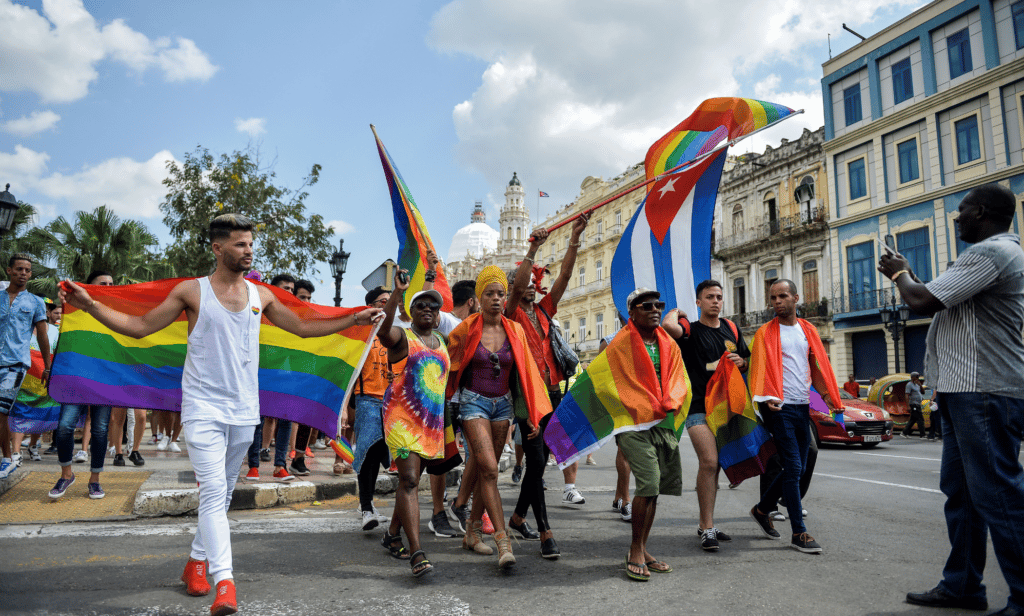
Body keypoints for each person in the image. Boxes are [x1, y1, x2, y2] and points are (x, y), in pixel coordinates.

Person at [59, 214, 379, 615]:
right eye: (241, 244)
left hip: (245, 410)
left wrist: (353, 317)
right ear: (218, 248)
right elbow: (139, 326)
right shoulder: (191, 292)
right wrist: (89, 304)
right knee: (212, 493)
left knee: (222, 494)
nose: (249, 251)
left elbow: (300, 326)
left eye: (250, 244)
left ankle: (195, 561)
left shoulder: (261, 296)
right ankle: (224, 584)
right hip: (202, 409)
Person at [879, 183, 1024, 615]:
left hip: (984, 390)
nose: (956, 218)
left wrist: (900, 273)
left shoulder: (992, 253)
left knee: (997, 494)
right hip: (967, 390)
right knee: (961, 493)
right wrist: (910, 278)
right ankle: (962, 585)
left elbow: (922, 299)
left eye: (961, 211)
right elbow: (940, 299)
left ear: (980, 211)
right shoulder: (995, 254)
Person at [445, 265, 552, 568]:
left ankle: (471, 533)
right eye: (489, 293)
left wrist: (530, 414)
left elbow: (526, 375)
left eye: (500, 294)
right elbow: (444, 362)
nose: (495, 298)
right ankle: (503, 541)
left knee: (483, 471)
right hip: (473, 404)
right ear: (478, 298)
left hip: (503, 406)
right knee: (490, 468)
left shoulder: (514, 329)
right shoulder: (465, 329)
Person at [748, 279, 843, 554]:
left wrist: (828, 398)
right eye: (773, 297)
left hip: (802, 406)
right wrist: (766, 398)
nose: (777, 301)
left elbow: (817, 367)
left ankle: (762, 508)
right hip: (779, 407)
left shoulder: (808, 330)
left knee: (798, 467)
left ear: (795, 298)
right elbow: (758, 369)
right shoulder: (764, 333)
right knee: (792, 465)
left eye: (782, 296)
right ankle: (799, 532)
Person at [506, 217, 590, 510]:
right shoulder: (511, 313)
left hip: (555, 391)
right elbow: (516, 290)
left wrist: (575, 238)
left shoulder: (543, 310)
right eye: (524, 281)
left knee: (557, 448)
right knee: (538, 460)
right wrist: (533, 249)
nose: (530, 285)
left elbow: (565, 278)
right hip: (529, 396)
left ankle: (534, 507)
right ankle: (525, 517)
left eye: (533, 281)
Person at [376, 272, 456, 577]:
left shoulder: (443, 342)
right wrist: (398, 293)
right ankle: (417, 551)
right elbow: (383, 330)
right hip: (401, 418)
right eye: (420, 304)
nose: (427, 309)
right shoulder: (401, 337)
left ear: (438, 317)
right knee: (409, 479)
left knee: (410, 480)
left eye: (433, 307)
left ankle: (392, 534)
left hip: (430, 424)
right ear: (412, 312)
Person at [662, 279, 748, 551]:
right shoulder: (691, 330)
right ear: (698, 302)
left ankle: (705, 523)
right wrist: (677, 311)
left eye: (719, 296)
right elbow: (667, 327)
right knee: (709, 462)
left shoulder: (731, 328)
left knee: (718, 464)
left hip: (727, 408)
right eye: (710, 297)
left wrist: (741, 361)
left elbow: (747, 359)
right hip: (697, 406)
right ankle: (707, 528)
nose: (716, 301)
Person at [614, 288, 689, 581]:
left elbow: (679, 377)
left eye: (659, 305)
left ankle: (643, 548)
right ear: (632, 312)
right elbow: (610, 382)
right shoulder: (620, 344)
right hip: (632, 424)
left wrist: (672, 399)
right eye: (647, 306)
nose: (655, 309)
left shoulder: (668, 343)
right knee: (649, 481)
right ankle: (634, 549)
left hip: (661, 421)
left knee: (655, 488)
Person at [347, 286, 402, 532]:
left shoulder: (395, 335)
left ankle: (366, 503)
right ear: (371, 306)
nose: (386, 306)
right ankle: (367, 506)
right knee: (368, 454)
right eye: (382, 302)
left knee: (382, 454)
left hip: (391, 402)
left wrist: (396, 376)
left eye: (390, 302)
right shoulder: (361, 333)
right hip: (367, 399)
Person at [0, 254, 51, 479]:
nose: (23, 273)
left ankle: (7, 458)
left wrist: (48, 367)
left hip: (15, 364)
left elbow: (42, 336)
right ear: (9, 271)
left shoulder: (35, 302)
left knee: (1, 411)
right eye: (19, 269)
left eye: (27, 270)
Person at [243, 274, 297, 483]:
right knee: (257, 421)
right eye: (285, 288)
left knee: (285, 421)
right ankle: (253, 467)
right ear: (271, 290)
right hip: (260, 374)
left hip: (285, 375)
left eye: (292, 289)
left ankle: (280, 466)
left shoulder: (293, 314)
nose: (289, 292)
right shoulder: (258, 311)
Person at [288, 279, 318, 476]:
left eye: (309, 297)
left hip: (305, 372)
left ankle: (298, 459)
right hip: (283, 372)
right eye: (302, 297)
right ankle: (267, 460)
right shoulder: (282, 314)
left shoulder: (313, 317)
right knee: (279, 420)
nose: (306, 300)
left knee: (306, 417)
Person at [902, 372, 926, 439]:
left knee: (913, 419)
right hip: (913, 404)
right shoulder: (909, 385)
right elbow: (906, 395)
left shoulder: (917, 385)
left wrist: (920, 385)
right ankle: (922, 435)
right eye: (917, 377)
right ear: (912, 377)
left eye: (918, 377)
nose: (918, 378)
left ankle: (904, 432)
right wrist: (908, 406)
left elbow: (923, 392)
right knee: (920, 419)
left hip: (918, 404)